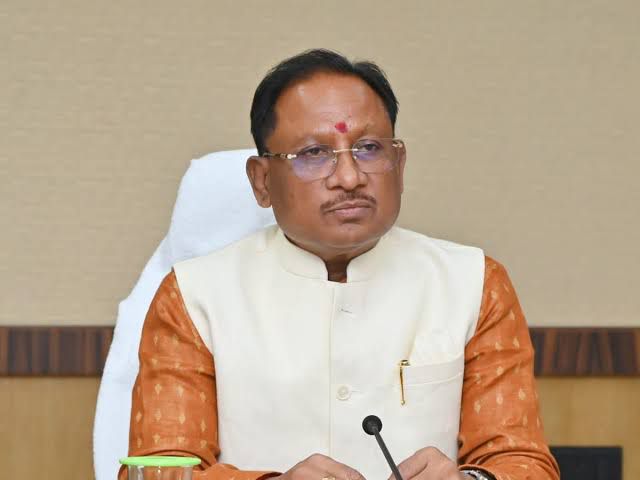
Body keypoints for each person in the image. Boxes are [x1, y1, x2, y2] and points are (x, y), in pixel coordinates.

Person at [121, 49, 560, 480]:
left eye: (368, 148)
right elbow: (156, 470)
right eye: (314, 153)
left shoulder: (474, 284)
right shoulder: (195, 296)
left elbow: (523, 463)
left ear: (399, 164)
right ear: (262, 180)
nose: (349, 178)